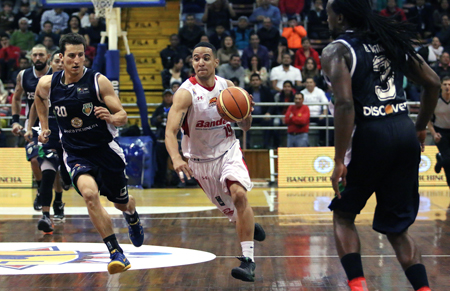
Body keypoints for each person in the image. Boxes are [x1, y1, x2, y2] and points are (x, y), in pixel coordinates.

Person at [321, 0, 440, 290]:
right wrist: (420, 127)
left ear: (338, 16)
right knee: (398, 230)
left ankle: (359, 286)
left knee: (344, 216)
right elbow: (434, 83)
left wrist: (339, 160)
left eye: (328, 14)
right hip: (403, 131)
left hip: (370, 137)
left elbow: (346, 103)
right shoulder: (389, 40)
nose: (326, 20)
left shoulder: (336, 50)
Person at [34, 33, 144, 274]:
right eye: (71, 55)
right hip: (75, 153)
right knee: (90, 195)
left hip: (105, 151)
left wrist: (112, 116)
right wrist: (44, 126)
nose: (77, 60)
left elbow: (123, 116)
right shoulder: (48, 83)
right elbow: (39, 99)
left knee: (121, 203)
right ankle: (116, 252)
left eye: (81, 55)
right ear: (61, 58)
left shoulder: (98, 81)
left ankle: (133, 216)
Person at [165, 42, 266, 282]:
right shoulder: (185, 93)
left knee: (240, 195)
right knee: (235, 213)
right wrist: (177, 159)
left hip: (228, 150)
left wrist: (246, 111)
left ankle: (248, 261)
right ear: (192, 63)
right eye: (196, 58)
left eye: (206, 58)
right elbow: (170, 132)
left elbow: (245, 127)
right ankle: (249, 224)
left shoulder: (228, 87)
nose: (201, 62)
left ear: (215, 62)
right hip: (200, 162)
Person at [25, 50, 68, 233]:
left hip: (69, 136)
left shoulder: (75, 83)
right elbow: (35, 105)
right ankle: (45, 216)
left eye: (61, 61)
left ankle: (59, 198)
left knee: (66, 177)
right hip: (48, 135)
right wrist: (30, 127)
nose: (59, 64)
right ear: (51, 64)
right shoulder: (45, 83)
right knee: (48, 173)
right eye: (56, 61)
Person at [11, 44, 51, 212]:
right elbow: (16, 98)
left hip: (53, 122)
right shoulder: (24, 75)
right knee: (34, 159)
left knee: (52, 163)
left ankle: (56, 197)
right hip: (33, 124)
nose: (37, 58)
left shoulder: (55, 74)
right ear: (30, 57)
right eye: (34, 55)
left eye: (41, 55)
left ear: (47, 56)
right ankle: (41, 191)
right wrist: (14, 120)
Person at [151, 89, 176, 188]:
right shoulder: (159, 109)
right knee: (160, 163)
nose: (168, 98)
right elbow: (152, 121)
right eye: (166, 96)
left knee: (175, 161)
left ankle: (176, 181)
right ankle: (161, 182)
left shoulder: (176, 108)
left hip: (174, 140)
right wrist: (158, 119)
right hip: (161, 140)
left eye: (170, 96)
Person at [428, 76, 450, 188]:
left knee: (448, 161)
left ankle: (440, 160)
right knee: (448, 166)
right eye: (445, 84)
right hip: (441, 133)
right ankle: (442, 160)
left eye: (449, 85)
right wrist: (433, 134)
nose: (447, 87)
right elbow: (429, 121)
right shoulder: (435, 101)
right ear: (441, 86)